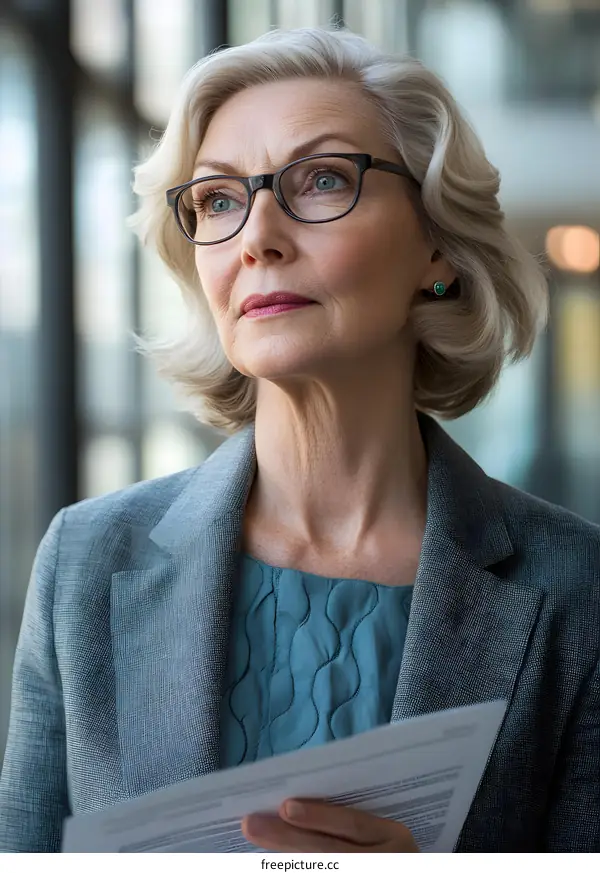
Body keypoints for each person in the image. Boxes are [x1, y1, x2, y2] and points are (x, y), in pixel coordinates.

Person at [1, 25, 599, 854]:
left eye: (321, 180)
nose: (257, 236)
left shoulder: (578, 587)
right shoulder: (86, 559)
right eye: (217, 200)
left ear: (436, 247)